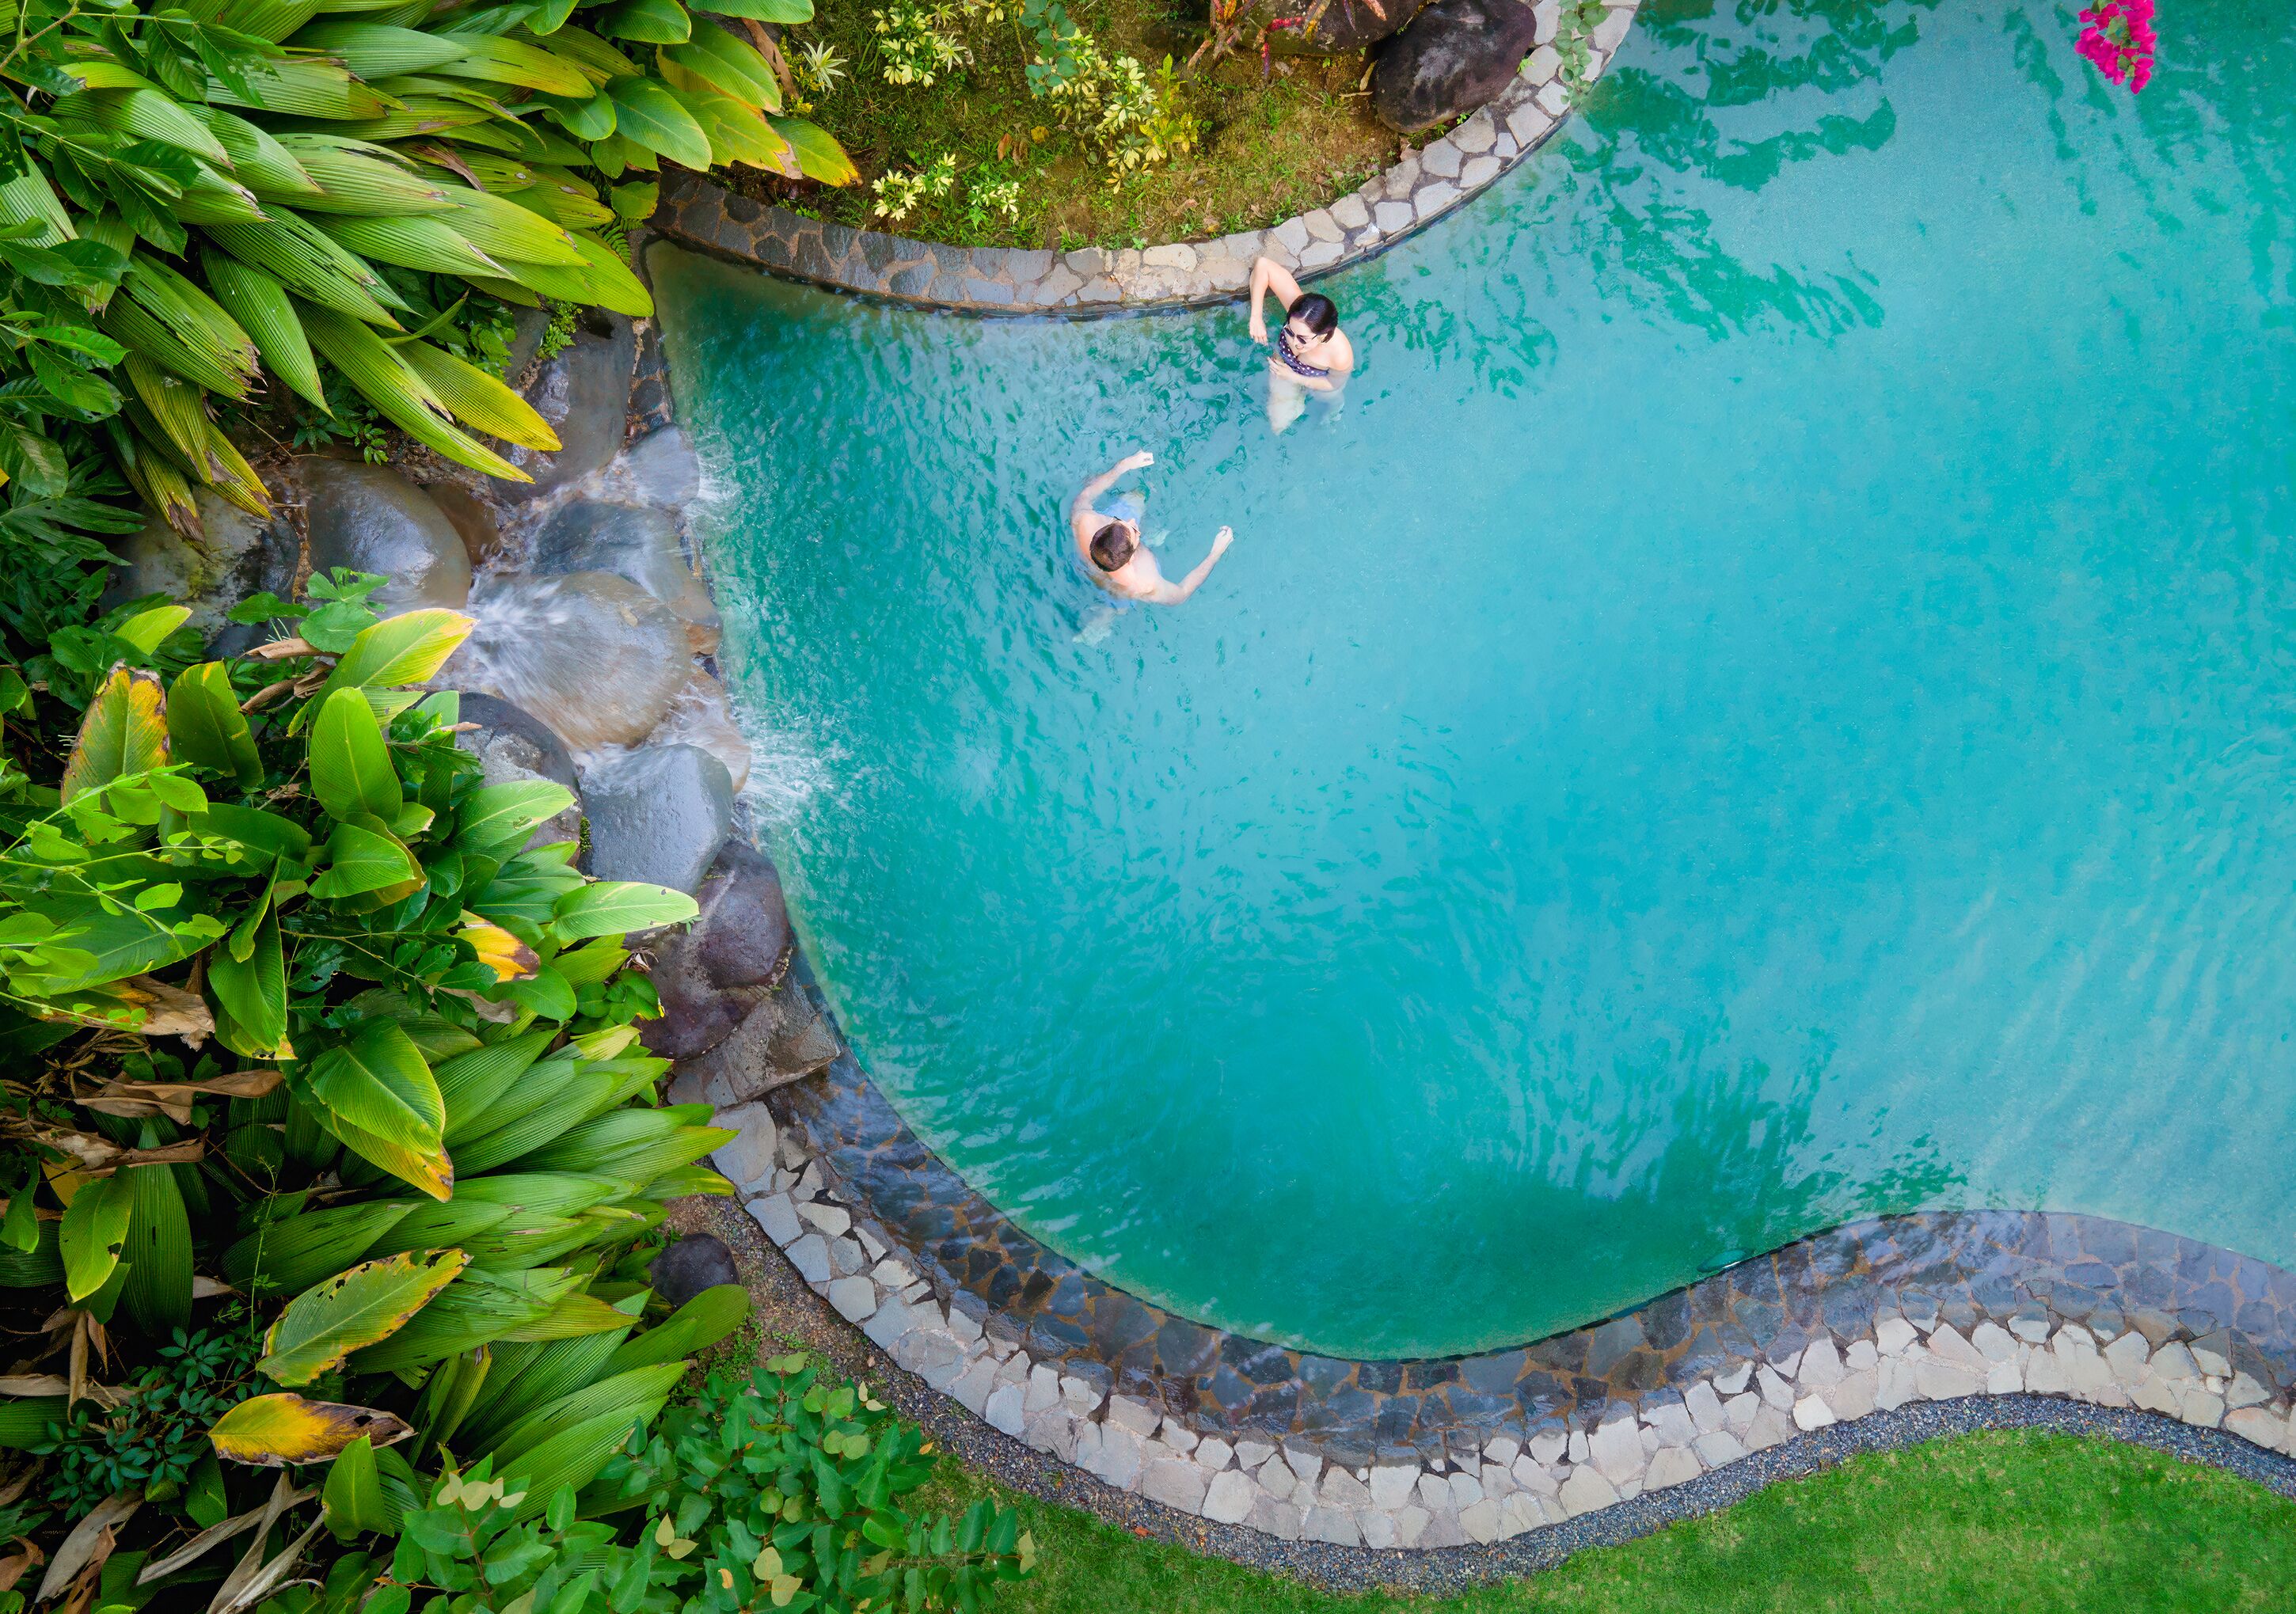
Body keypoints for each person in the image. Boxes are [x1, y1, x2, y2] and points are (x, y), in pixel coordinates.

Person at [1069, 450, 1234, 606]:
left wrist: (1123, 466)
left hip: (1089, 570)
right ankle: (1109, 614)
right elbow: (1182, 594)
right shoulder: (1145, 583)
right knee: (1119, 602)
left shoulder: (1083, 520)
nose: (1133, 521)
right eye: (1135, 531)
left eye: (1118, 520)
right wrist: (1215, 554)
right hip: (1123, 590)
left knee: (1136, 497)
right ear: (1131, 559)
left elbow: (1086, 495)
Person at [1248, 254, 1355, 431]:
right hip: (1284, 367)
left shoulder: (1340, 354)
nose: (1294, 342)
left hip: (1317, 382)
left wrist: (1294, 377)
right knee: (1277, 424)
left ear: (1322, 335)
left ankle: (1335, 412)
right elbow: (1263, 265)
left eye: (1303, 339)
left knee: (1330, 401)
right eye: (1289, 331)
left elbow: (1333, 384)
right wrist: (1256, 317)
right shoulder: (1300, 312)